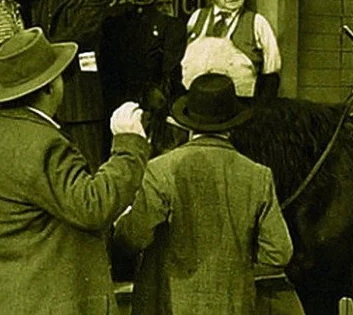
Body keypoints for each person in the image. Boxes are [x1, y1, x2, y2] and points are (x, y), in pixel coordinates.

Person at [0, 27, 149, 314]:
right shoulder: (45, 143)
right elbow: (93, 206)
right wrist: (128, 145)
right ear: (49, 87)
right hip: (40, 301)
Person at [114, 73, 293, 314]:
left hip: (167, 305)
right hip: (233, 306)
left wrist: (121, 223)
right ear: (233, 123)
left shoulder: (160, 170)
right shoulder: (258, 176)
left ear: (188, 123)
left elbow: (133, 238)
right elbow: (278, 252)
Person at [21, 0, 112, 170]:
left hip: (80, 101)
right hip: (40, 100)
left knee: (87, 169)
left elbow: (76, 35)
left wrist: (34, 54)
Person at [181, 0, 282, 103]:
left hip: (239, 105)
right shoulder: (197, 17)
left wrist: (261, 108)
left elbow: (271, 72)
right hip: (196, 103)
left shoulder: (257, 22)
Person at [100, 0, 187, 117]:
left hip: (154, 109)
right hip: (117, 108)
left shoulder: (172, 26)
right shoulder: (113, 24)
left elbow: (168, 72)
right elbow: (107, 71)